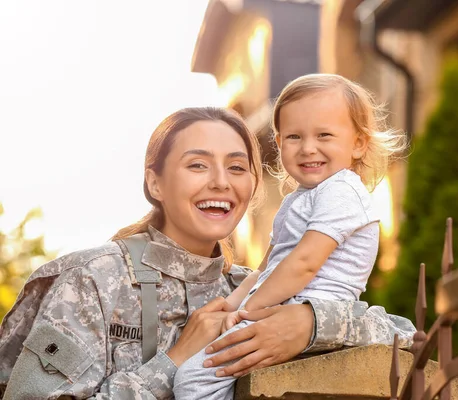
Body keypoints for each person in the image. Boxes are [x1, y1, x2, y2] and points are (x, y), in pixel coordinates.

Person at [0, 106, 416, 399]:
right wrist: (173, 361)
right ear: (156, 183)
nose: (220, 182)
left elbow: (402, 335)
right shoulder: (92, 280)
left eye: (237, 168)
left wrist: (307, 325)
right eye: (198, 165)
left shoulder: (253, 289)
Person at [173, 74, 411, 400]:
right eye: (294, 137)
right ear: (279, 141)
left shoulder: (341, 190)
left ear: (358, 143)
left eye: (324, 135)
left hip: (309, 312)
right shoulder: (297, 199)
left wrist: (249, 310)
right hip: (281, 305)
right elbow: (265, 268)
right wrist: (229, 306)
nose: (308, 148)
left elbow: (304, 264)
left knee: (195, 380)